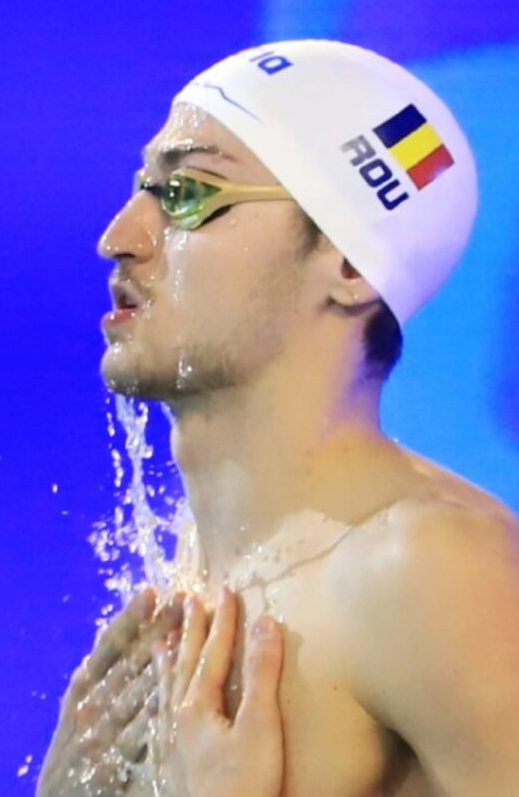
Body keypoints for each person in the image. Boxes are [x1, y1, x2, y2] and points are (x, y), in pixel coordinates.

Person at [39, 39, 519, 796]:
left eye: (188, 194)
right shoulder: (202, 565)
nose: (120, 237)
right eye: (142, 188)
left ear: (350, 265)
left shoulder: (426, 568)